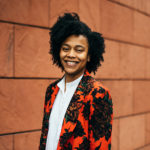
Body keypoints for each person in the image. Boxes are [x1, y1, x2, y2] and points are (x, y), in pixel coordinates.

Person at [39, 12, 113, 150]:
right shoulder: (51, 90)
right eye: (65, 49)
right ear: (58, 51)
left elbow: (100, 146)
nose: (71, 55)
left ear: (89, 56)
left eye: (79, 50)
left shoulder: (98, 93)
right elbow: (45, 138)